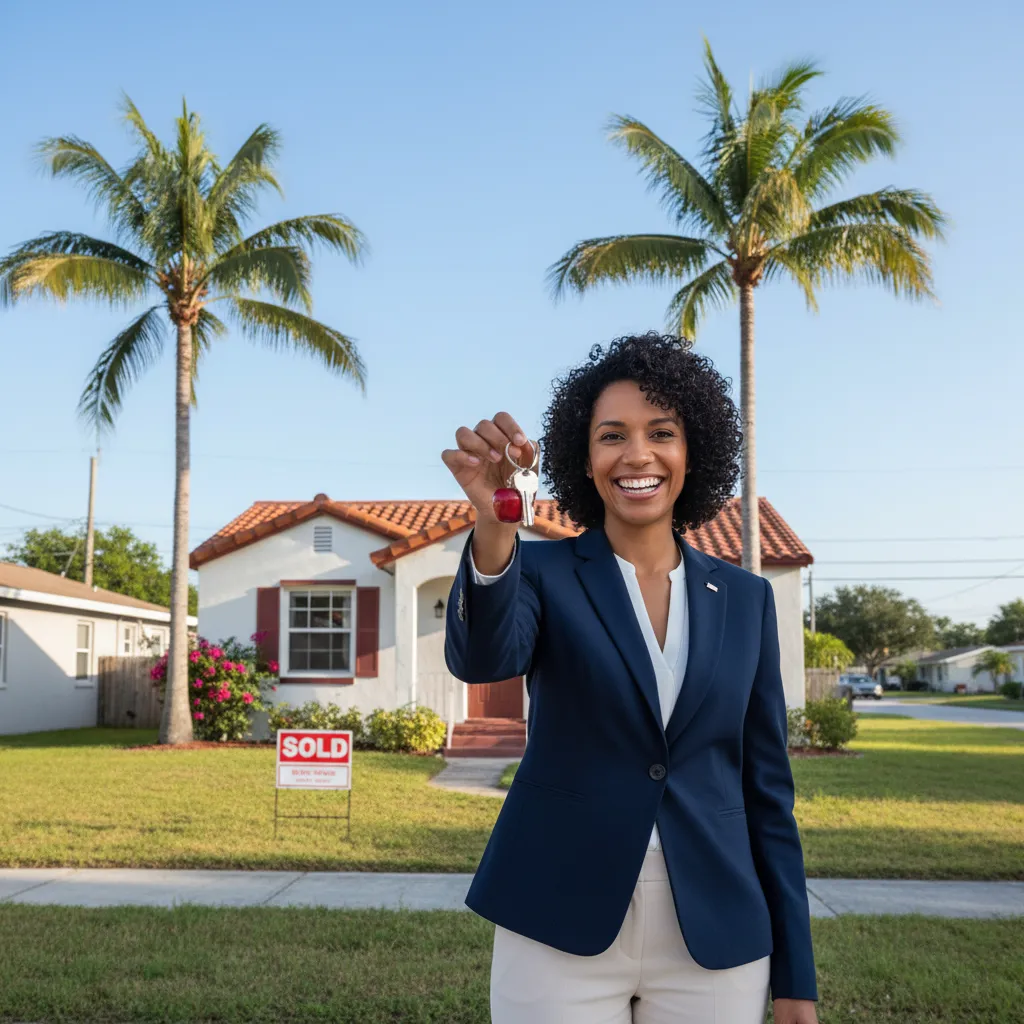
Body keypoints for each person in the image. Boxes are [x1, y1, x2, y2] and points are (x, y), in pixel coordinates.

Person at [441, 332, 818, 1024]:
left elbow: (768, 793)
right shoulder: (545, 574)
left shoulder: (746, 598)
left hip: (716, 925)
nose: (637, 455)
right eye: (611, 435)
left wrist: (797, 976)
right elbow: (485, 660)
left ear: (690, 451)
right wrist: (496, 524)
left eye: (662, 433)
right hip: (555, 912)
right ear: (583, 461)